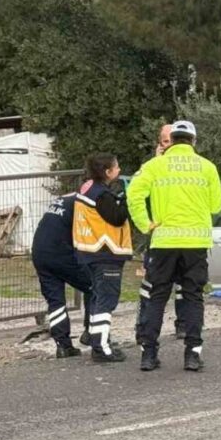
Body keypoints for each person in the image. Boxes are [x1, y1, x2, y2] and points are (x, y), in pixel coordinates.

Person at [129, 120, 221, 372]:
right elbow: (216, 206)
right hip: (195, 243)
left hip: (163, 242)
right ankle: (192, 354)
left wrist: (144, 223)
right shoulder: (208, 167)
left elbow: (133, 194)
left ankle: (148, 354)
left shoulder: (153, 166)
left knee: (156, 297)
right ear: (193, 141)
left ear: (171, 140)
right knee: (193, 297)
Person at [73, 153, 133, 363]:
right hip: (106, 252)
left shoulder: (88, 188)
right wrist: (127, 199)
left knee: (98, 299)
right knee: (106, 301)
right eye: (116, 167)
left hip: (89, 252)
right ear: (108, 172)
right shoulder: (101, 195)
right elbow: (116, 218)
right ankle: (101, 347)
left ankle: (96, 340)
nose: (119, 170)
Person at [32, 192, 94, 358]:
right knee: (94, 286)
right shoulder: (84, 203)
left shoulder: (66, 199)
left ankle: (63, 345)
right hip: (60, 253)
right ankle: (92, 332)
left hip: (39, 252)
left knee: (55, 300)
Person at [151, 122, 187, 341]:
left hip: (187, 239)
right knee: (154, 291)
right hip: (160, 238)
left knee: (186, 288)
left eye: (173, 141)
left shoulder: (192, 167)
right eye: (165, 141)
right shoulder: (153, 167)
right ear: (159, 144)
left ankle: (183, 326)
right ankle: (145, 333)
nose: (169, 145)